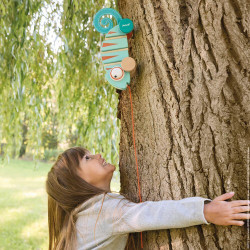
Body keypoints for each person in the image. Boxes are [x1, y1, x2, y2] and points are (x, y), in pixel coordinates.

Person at [45, 146, 250, 250]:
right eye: (87, 158)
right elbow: (152, 213)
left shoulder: (86, 214)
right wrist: (205, 211)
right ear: (76, 182)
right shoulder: (103, 211)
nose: (98, 155)